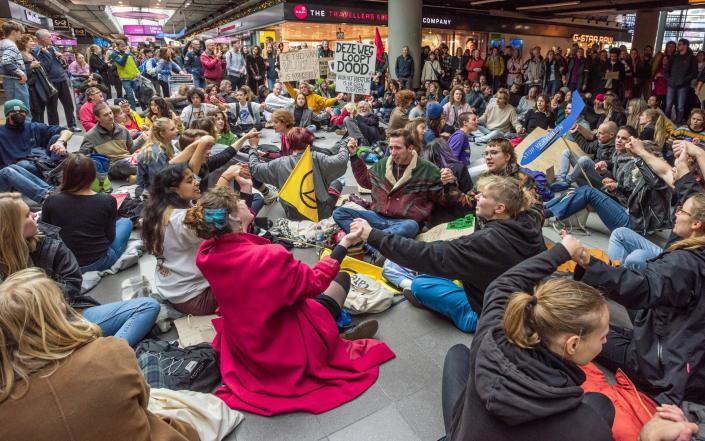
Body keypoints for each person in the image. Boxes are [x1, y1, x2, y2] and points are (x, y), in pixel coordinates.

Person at [181, 185, 392, 416]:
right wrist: (345, 244)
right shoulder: (269, 256)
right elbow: (315, 283)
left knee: (319, 302)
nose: (244, 201)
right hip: (284, 344)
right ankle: (332, 336)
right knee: (340, 279)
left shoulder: (207, 253)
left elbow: (238, 241)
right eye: (238, 201)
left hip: (246, 344)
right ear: (231, 216)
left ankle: (333, 328)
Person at [441, 237, 614, 440]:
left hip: (464, 432)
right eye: (603, 336)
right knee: (602, 405)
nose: (606, 340)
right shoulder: (585, 427)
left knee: (458, 353)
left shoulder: (490, 335)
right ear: (573, 343)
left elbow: (503, 284)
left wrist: (563, 250)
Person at [0, 268, 195, 441]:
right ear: (57, 313)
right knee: (150, 361)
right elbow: (143, 405)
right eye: (59, 302)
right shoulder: (111, 351)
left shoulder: (6, 411)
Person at [353, 175, 545, 334]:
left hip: (492, 317)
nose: (477, 197)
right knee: (422, 270)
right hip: (518, 304)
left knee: (420, 283)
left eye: (484, 196)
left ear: (500, 208)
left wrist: (372, 235)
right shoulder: (528, 225)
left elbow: (430, 254)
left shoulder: (486, 242)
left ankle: (424, 293)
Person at [570, 193, 705, 406]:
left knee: (577, 328)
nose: (677, 213)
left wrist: (588, 262)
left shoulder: (685, 263)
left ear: (697, 223)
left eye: (682, 210)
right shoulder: (690, 259)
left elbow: (644, 287)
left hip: (662, 368)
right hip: (681, 350)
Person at [0, 193, 160, 348]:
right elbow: (109, 237)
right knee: (124, 223)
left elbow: (72, 282)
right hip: (27, 332)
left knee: (148, 307)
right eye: (28, 215)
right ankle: (100, 354)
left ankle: (107, 353)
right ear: (12, 227)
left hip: (65, 314)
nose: (35, 215)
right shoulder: (104, 199)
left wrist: (46, 300)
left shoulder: (48, 236)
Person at [142, 162, 250, 315]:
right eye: (189, 180)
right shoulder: (182, 221)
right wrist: (232, 181)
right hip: (196, 298)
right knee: (256, 272)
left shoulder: (159, 212)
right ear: (173, 189)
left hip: (175, 290)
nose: (197, 182)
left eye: (194, 178)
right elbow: (220, 214)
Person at [333, 129, 452, 240]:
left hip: (405, 222)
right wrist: (354, 156)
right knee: (339, 213)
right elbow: (366, 182)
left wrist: (447, 184)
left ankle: (370, 241)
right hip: (377, 217)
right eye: (391, 148)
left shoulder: (428, 169)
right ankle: (378, 242)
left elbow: (443, 199)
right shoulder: (384, 164)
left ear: (410, 148)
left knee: (411, 227)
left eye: (398, 148)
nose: (393, 153)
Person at [41, 154, 133, 273]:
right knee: (126, 222)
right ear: (93, 175)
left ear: (66, 175)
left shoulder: (51, 201)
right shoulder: (107, 200)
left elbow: (48, 235)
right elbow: (110, 237)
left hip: (65, 264)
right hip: (99, 262)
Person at [250, 127, 347, 220]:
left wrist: (253, 147)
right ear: (310, 142)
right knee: (338, 182)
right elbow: (341, 161)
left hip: (293, 214)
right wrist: (344, 145)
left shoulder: (279, 163)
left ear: (289, 143)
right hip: (321, 214)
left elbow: (254, 168)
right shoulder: (318, 157)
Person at [0, 100, 71, 178]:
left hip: (44, 161)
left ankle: (54, 173)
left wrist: (60, 142)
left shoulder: (34, 127)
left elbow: (67, 132)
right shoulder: (1, 133)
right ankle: (54, 175)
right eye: (14, 112)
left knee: (57, 137)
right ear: (7, 115)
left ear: (26, 114)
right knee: (24, 165)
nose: (18, 114)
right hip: (21, 167)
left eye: (21, 111)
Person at [32, 29, 78, 131]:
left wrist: (62, 58)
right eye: (49, 37)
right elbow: (45, 68)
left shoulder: (53, 48)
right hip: (51, 83)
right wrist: (47, 54)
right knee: (52, 108)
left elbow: (63, 65)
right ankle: (54, 129)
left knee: (69, 104)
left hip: (62, 79)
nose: (51, 39)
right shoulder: (37, 51)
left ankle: (72, 125)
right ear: (42, 39)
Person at [79, 102, 137, 182]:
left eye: (110, 113)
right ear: (97, 118)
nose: (110, 116)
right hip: (112, 166)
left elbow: (132, 149)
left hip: (128, 160)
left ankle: (141, 174)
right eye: (106, 115)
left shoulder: (123, 129)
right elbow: (82, 158)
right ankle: (145, 174)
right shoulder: (90, 136)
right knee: (124, 164)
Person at [554, 121, 618, 190]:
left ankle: (567, 181)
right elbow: (587, 147)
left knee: (584, 159)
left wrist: (604, 165)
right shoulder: (600, 142)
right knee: (567, 152)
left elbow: (612, 168)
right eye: (597, 132)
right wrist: (575, 132)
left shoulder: (617, 149)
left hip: (602, 181)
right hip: (591, 174)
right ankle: (560, 179)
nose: (597, 135)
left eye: (601, 133)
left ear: (611, 135)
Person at [665, 38, 697, 125]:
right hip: (671, 84)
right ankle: (665, 122)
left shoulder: (692, 58)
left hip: (683, 85)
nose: (678, 46)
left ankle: (678, 123)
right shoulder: (675, 56)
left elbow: (694, 72)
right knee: (668, 105)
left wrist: (684, 80)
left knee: (680, 106)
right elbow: (667, 68)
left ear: (685, 45)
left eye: (680, 44)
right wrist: (668, 78)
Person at [0, 21, 29, 111]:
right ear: (14, 32)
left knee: (13, 109)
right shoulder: (11, 45)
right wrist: (21, 74)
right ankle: (23, 125)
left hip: (9, 79)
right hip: (16, 81)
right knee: (21, 109)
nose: (21, 35)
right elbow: (6, 61)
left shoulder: (2, 43)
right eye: (20, 32)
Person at [109, 40, 140, 110]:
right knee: (130, 96)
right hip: (125, 79)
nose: (124, 48)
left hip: (134, 77)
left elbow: (134, 65)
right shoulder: (114, 54)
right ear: (117, 47)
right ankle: (133, 112)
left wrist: (138, 72)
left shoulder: (129, 53)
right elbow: (121, 63)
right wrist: (126, 54)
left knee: (139, 94)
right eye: (122, 46)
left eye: (125, 46)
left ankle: (144, 110)